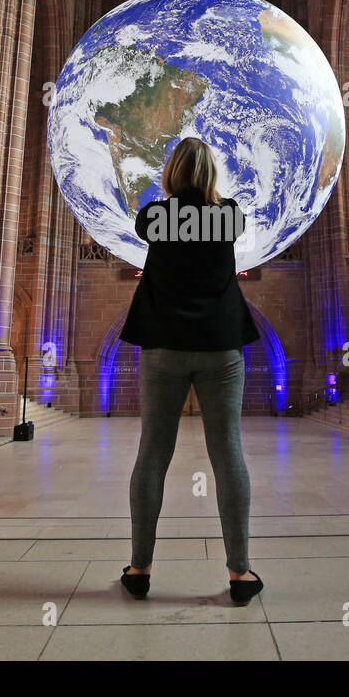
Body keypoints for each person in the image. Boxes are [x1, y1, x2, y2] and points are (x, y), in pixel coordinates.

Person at [117, 137, 264, 605]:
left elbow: (156, 223)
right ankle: (239, 573)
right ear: (209, 173)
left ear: (173, 171)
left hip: (164, 343)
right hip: (220, 344)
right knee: (228, 453)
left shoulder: (153, 217)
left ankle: (140, 569)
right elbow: (219, 222)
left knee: (153, 453)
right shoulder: (231, 215)